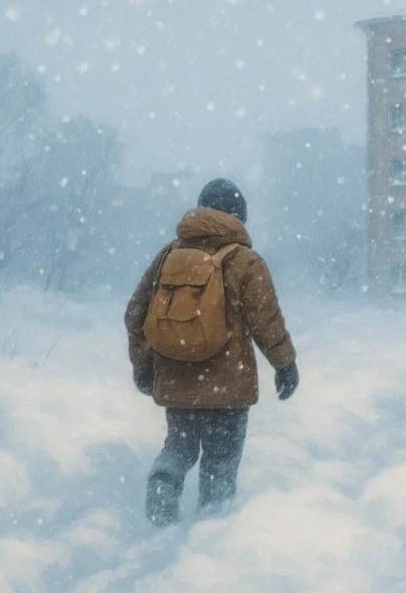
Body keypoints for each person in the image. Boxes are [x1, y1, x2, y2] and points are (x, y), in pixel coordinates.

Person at [124, 178, 299, 526]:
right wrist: (285, 364)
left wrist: (144, 367)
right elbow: (266, 321)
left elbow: (136, 314)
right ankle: (211, 538)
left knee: (179, 446)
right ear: (239, 216)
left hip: (177, 381)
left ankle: (164, 480)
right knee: (221, 460)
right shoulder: (246, 262)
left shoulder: (168, 256)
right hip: (228, 389)